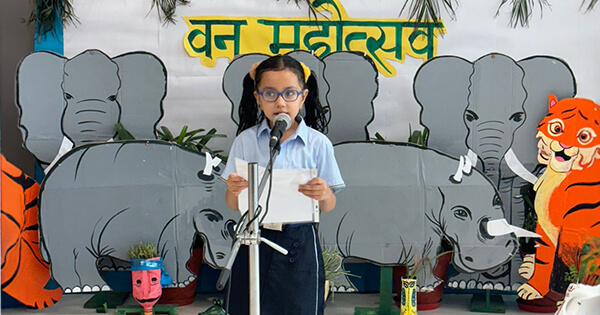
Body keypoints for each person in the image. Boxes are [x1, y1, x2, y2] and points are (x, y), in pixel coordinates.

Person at [220, 54, 345, 315]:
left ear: (303, 96)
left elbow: (330, 205)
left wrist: (323, 193)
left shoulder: (317, 143)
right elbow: (232, 204)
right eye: (270, 93)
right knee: (247, 307)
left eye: (289, 93)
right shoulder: (246, 141)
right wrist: (233, 190)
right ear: (257, 98)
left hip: (298, 244)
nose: (280, 102)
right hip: (253, 238)